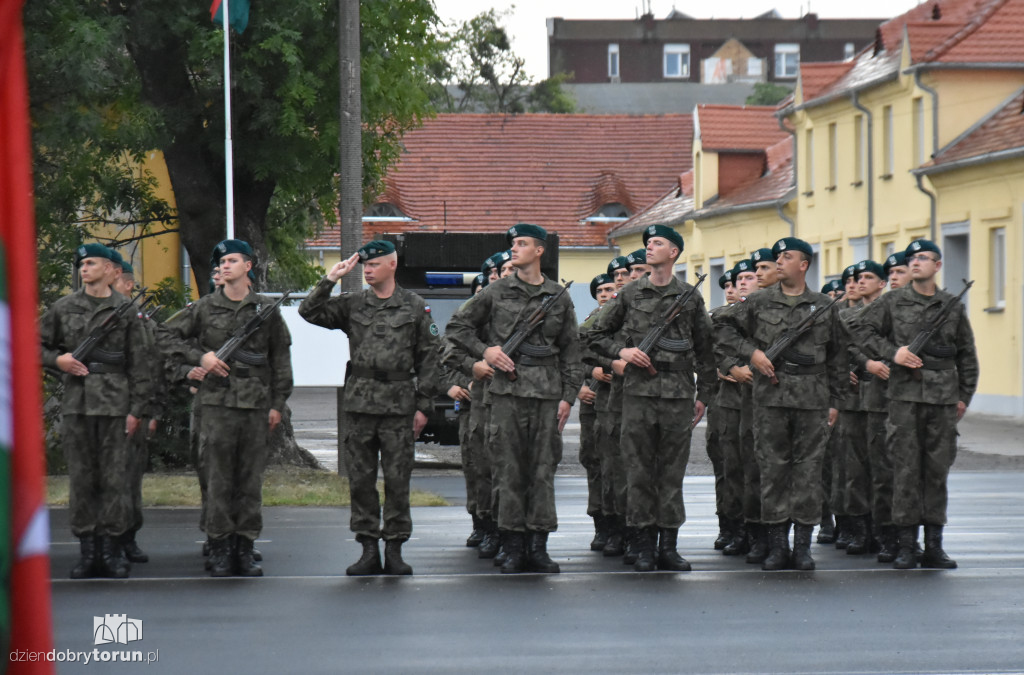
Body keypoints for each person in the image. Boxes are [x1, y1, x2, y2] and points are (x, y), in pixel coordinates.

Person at [446, 224, 583, 574]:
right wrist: (486, 351)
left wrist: (568, 397)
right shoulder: (496, 292)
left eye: (522, 244)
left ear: (539, 251)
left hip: (546, 395)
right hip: (505, 394)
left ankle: (538, 545)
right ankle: (511, 544)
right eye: (513, 244)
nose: (514, 249)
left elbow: (570, 351)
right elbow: (457, 328)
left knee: (542, 471)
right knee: (507, 471)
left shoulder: (558, 296)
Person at [298, 240, 439, 575]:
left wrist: (425, 405)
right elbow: (309, 312)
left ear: (391, 264)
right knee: (360, 481)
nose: (367, 270)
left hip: (399, 405)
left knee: (397, 480)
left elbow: (431, 358)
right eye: (365, 266)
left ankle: (394, 550)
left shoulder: (415, 307)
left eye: (373, 264)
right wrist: (330, 279)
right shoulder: (353, 304)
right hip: (360, 406)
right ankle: (367, 550)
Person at [588, 224, 716, 572]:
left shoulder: (690, 297)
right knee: (638, 471)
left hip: (677, 396)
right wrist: (621, 353)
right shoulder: (630, 295)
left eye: (657, 243)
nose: (649, 247)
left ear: (673, 252)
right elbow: (593, 335)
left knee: (671, 473)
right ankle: (642, 544)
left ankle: (669, 546)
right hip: (637, 396)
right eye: (648, 243)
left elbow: (706, 349)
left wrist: (705, 394)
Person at [161, 239, 293, 577]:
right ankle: (219, 547)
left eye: (232, 260)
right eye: (222, 261)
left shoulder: (265, 311)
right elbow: (162, 336)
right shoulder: (204, 308)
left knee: (249, 481)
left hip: (254, 406)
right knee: (218, 479)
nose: (225, 266)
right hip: (216, 405)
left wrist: (278, 403)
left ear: (248, 266)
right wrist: (200, 356)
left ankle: (244, 548)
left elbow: (280, 360)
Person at [718, 237, 847, 571]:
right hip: (770, 400)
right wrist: (752, 354)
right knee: (773, 470)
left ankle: (803, 546)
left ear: (803, 265)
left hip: (812, 398)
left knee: (808, 473)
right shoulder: (758, 302)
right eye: (777, 257)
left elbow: (838, 357)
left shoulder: (823, 306)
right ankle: (777, 545)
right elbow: (720, 329)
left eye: (786, 257)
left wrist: (835, 402)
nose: (778, 262)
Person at [855, 239, 978, 569]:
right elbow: (859, 332)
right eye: (912, 258)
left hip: (942, 400)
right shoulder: (892, 302)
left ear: (937, 266)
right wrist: (891, 352)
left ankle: (934, 545)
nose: (915, 263)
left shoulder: (952, 305)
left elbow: (966, 354)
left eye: (923, 258)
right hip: (905, 398)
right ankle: (907, 544)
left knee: (936, 472)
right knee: (905, 472)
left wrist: (964, 396)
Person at [40, 243, 153, 578]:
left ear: (109, 269)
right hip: (78, 404)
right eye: (81, 264)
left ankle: (114, 549)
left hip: (117, 404)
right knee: (83, 479)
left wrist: (138, 408)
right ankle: (89, 550)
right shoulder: (64, 308)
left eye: (90, 263)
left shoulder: (125, 310)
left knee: (116, 479)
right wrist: (57, 360)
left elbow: (141, 363)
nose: (84, 268)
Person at [715, 259, 766, 560]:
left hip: (763, 398)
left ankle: (761, 531)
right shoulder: (723, 317)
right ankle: (736, 528)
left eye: (749, 277)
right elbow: (713, 351)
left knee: (759, 471)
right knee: (733, 469)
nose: (743, 283)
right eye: (738, 279)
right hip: (731, 402)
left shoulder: (766, 313)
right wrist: (729, 368)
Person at [849, 259, 894, 561]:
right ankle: (860, 530)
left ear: (882, 283)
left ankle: (885, 530)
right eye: (858, 277)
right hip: (853, 397)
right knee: (855, 468)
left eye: (868, 277)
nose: (861, 281)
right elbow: (837, 346)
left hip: (884, 395)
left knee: (884, 468)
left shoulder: (892, 313)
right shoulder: (845, 315)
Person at [578, 273, 617, 550]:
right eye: (600, 290)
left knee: (616, 466)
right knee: (594, 464)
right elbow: (571, 357)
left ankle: (619, 527)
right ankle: (600, 525)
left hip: (617, 403)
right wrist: (584, 381)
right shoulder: (588, 325)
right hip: (592, 404)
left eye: (609, 289)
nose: (605, 294)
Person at [706, 269, 741, 550]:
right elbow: (701, 354)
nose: (731, 289)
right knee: (725, 469)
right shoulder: (715, 319)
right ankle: (728, 526)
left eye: (739, 283)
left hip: (756, 402)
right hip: (723, 404)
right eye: (728, 285)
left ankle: (754, 530)